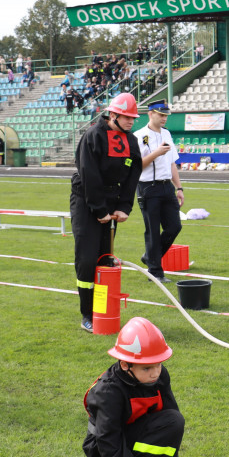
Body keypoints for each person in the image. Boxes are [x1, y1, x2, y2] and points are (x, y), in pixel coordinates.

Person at [83, 317, 203, 457]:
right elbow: (107, 442)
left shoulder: (159, 375)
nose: (155, 373)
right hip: (109, 449)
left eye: (158, 364)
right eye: (146, 368)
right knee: (174, 421)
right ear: (125, 365)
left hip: (139, 440)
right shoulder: (108, 392)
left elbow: (167, 424)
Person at [70, 93, 141, 332]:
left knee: (106, 260)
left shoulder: (131, 141)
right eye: (126, 117)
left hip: (111, 203)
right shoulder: (93, 136)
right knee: (88, 260)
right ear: (113, 115)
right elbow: (89, 175)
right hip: (86, 202)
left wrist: (124, 206)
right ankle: (87, 314)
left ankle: (103, 310)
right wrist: (99, 209)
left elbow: (133, 175)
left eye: (133, 118)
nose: (131, 122)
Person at [134, 100, 184, 284]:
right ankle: (155, 272)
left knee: (174, 226)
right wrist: (156, 153)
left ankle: (150, 257)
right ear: (150, 114)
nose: (164, 118)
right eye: (161, 114)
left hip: (166, 187)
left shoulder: (167, 134)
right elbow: (137, 166)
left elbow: (172, 163)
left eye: (165, 115)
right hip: (148, 186)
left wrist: (179, 188)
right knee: (153, 230)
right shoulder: (139, 136)